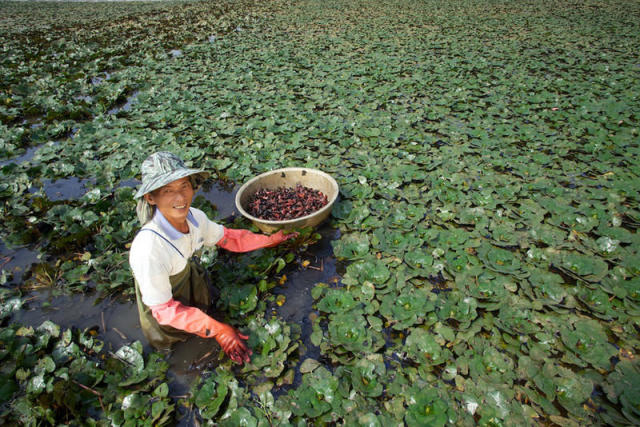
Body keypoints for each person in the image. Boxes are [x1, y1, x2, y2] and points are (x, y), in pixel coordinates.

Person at [129, 152, 295, 364]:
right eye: (167, 190)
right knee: (178, 356)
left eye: (184, 186)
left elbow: (228, 238)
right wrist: (219, 330)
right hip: (166, 318)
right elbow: (164, 312)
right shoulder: (149, 248)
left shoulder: (195, 217)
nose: (180, 198)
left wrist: (269, 240)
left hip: (188, 283)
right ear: (150, 197)